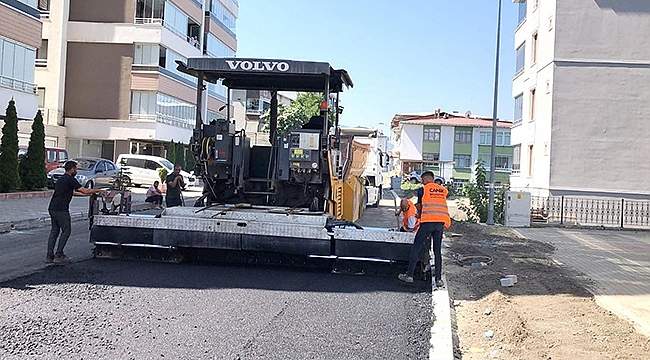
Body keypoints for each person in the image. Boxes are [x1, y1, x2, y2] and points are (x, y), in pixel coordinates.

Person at [47, 160, 106, 264]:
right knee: (66, 230)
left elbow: (72, 193)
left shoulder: (61, 179)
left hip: (52, 208)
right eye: (76, 168)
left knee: (54, 231)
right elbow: (84, 190)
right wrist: (98, 191)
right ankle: (59, 254)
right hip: (61, 209)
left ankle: (49, 256)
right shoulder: (70, 179)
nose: (77, 171)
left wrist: (87, 195)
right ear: (72, 169)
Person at [399, 171, 451, 287]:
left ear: (426, 180)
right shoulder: (442, 190)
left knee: (416, 247)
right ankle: (438, 279)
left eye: (423, 181)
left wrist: (418, 215)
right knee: (437, 251)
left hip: (427, 222)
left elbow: (420, 206)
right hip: (440, 223)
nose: (422, 183)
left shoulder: (423, 189)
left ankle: (409, 275)